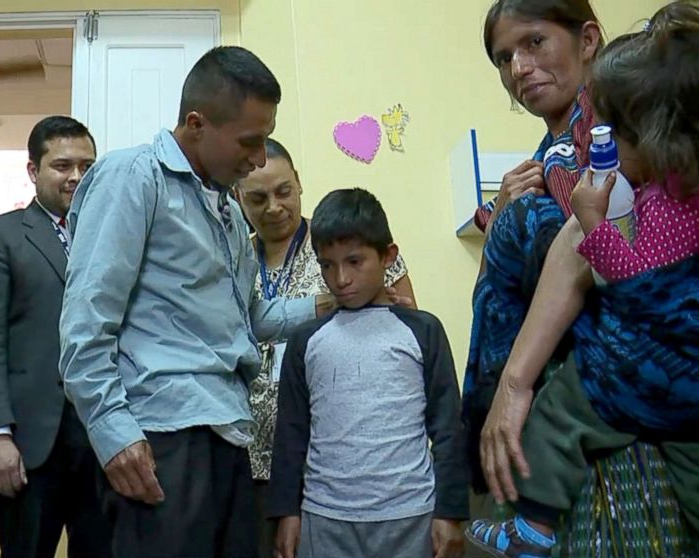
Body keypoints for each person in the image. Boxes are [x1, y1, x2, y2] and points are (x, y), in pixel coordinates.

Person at [59, 46, 335, 558]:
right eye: (250, 143)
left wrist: (329, 303)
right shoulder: (133, 178)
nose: (257, 159)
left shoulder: (229, 212)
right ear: (196, 123)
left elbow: (251, 320)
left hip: (228, 434)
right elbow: (85, 321)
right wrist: (113, 432)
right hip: (162, 437)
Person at [468, 3, 699, 555]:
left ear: (587, 40)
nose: (518, 68)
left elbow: (593, 253)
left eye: (534, 43)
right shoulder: (550, 156)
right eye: (503, 58)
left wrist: (515, 383)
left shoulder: (619, 127)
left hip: (613, 402)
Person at [233, 138, 416, 558]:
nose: (274, 207)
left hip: (333, 459)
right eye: (258, 198)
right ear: (238, 198)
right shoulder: (234, 256)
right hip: (251, 457)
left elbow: (404, 330)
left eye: (283, 192)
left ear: (299, 183)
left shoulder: (342, 246)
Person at [268, 188, 468, 558]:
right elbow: (291, 433)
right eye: (327, 264)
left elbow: (447, 427)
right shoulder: (305, 341)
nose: (340, 278)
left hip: (410, 516)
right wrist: (286, 512)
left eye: (354, 261)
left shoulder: (423, 331)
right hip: (325, 519)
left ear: (388, 256)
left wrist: (451, 511)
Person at [0, 116, 111, 558]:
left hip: (104, 435)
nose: (76, 177)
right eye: (62, 165)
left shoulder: (111, 237)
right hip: (30, 442)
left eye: (87, 165)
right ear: (34, 171)